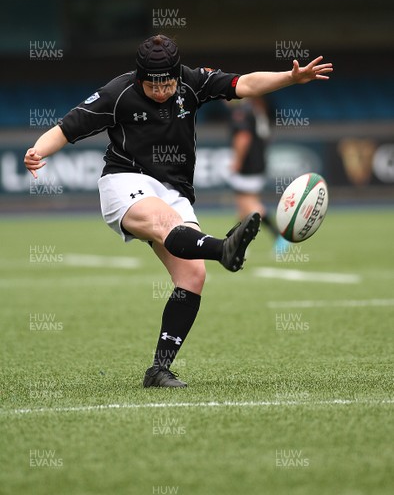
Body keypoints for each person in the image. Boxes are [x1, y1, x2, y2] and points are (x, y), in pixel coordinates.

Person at [24, 34, 333, 388]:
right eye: (152, 85)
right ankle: (223, 249)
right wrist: (37, 150)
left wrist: (290, 78)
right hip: (125, 182)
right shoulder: (118, 93)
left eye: (168, 84)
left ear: (176, 75)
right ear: (139, 78)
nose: (161, 92)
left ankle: (159, 369)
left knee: (192, 277)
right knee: (165, 224)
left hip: (175, 190)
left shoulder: (193, 81)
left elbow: (243, 83)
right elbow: (68, 126)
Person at [228, 96, 288, 251]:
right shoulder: (254, 109)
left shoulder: (242, 111)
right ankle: (238, 243)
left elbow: (243, 137)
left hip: (248, 166)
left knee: (250, 205)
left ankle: (277, 235)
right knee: (243, 207)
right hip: (257, 164)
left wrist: (238, 161)